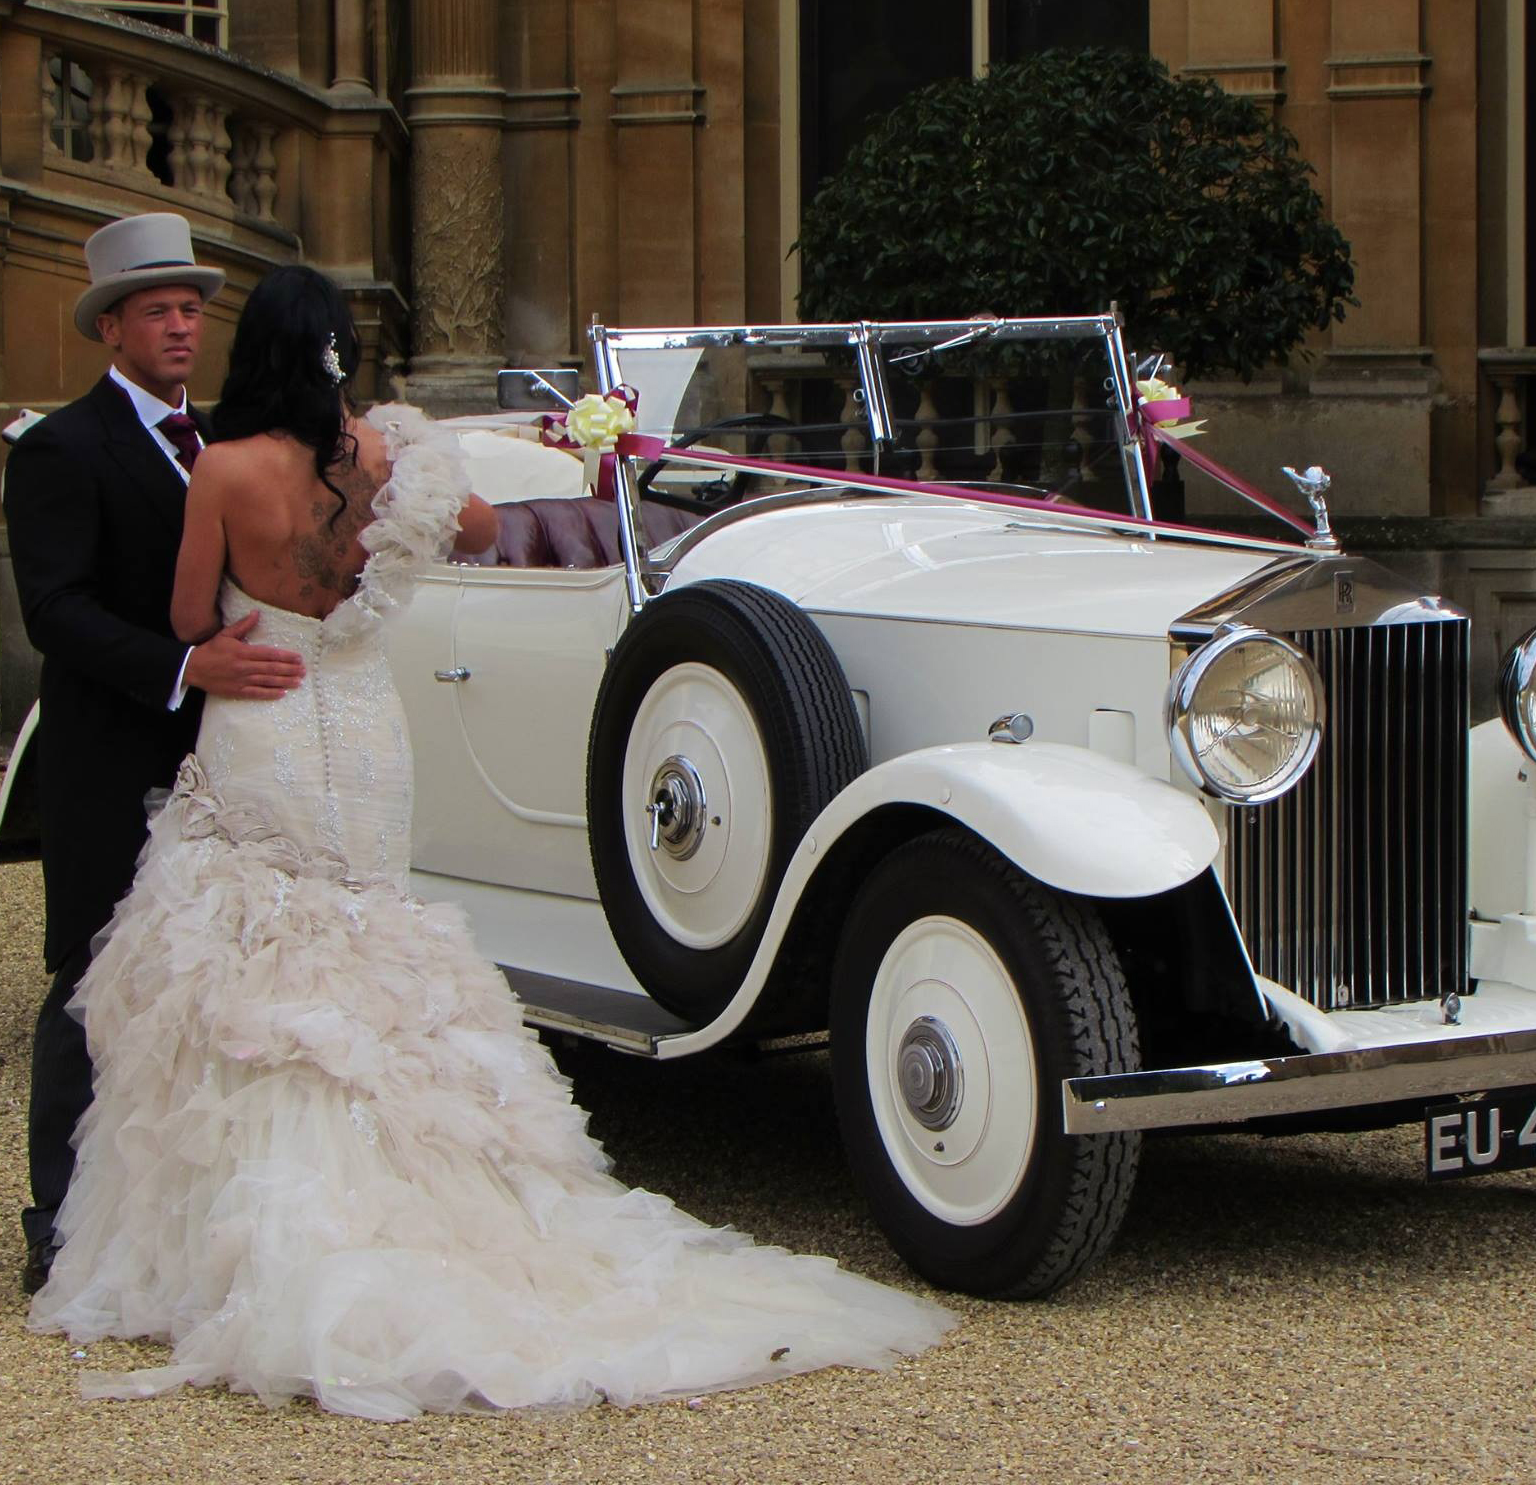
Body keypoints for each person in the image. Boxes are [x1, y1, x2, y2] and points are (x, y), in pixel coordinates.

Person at [27, 265, 954, 1416]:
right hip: (366, 733)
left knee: (262, 958)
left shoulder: (222, 468)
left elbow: (180, 621)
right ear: (335, 358)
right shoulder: (379, 460)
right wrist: (393, 458)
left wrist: (232, 620)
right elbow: (471, 525)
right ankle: (435, 1197)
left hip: (263, 714)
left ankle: (257, 1226)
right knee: (370, 931)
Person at [6, 214, 307, 1297]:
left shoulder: (230, 442)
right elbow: (56, 612)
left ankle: (182, 1224)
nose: (183, 326)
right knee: (92, 979)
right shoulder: (58, 449)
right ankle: (55, 1221)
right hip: (107, 754)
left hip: (232, 761)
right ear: (111, 327)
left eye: (192, 309)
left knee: (212, 982)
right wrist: (184, 670)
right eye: (159, 311)